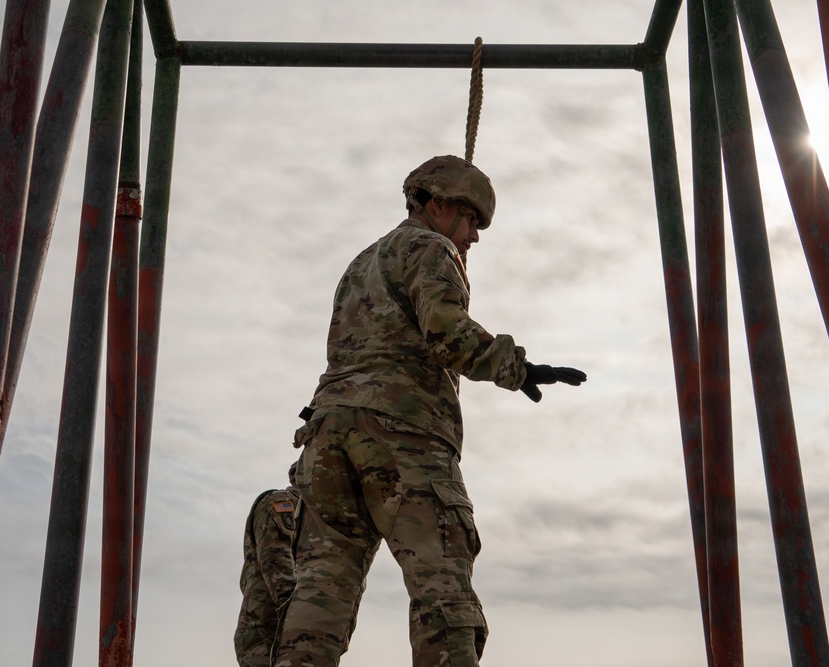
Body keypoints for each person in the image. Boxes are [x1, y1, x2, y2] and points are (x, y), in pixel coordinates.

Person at [274, 155, 586, 667]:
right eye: (471, 219)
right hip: (402, 434)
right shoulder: (432, 247)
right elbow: (446, 331)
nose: (474, 236)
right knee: (443, 591)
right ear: (438, 205)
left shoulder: (362, 262)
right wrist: (519, 368)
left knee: (320, 594)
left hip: (327, 435)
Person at [234, 464, 301, 667]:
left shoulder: (319, 519)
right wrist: (307, 627)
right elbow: (279, 570)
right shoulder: (284, 503)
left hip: (292, 637)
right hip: (269, 635)